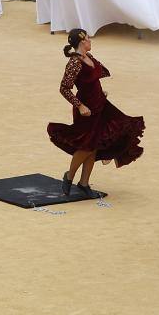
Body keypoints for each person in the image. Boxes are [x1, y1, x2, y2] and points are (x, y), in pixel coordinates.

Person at [48, 29, 145, 198]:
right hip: (86, 110)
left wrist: (100, 92)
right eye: (88, 38)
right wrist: (80, 106)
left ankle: (84, 183)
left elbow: (94, 79)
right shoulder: (74, 63)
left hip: (101, 105)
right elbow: (64, 88)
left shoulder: (89, 57)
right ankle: (69, 176)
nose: (90, 40)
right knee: (87, 145)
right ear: (81, 42)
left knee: (95, 144)